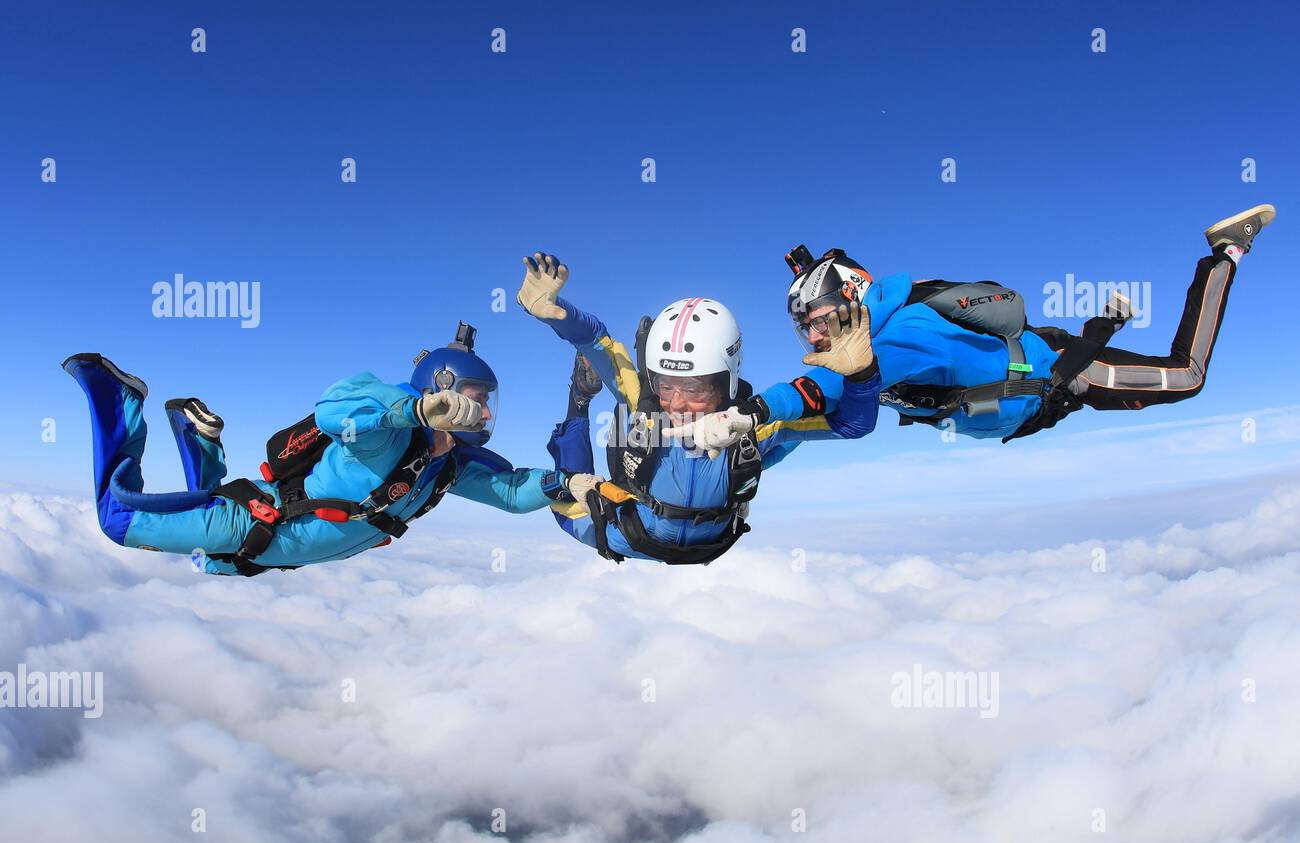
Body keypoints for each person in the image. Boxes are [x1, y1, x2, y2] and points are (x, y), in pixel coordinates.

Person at [684, 204, 1276, 451]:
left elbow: (820, 395)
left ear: (852, 300)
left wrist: (752, 413)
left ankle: (1224, 255)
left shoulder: (897, 335)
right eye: (802, 328)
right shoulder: (874, 346)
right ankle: (1109, 319)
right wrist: (756, 441)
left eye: (816, 321)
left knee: (1188, 377)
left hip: (1066, 378)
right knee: (1070, 350)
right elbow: (834, 418)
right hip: (1046, 388)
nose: (812, 338)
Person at [61, 324, 602, 576]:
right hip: (254, 525)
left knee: (205, 562)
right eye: (476, 399)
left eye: (489, 403)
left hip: (260, 555)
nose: (485, 414)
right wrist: (410, 411)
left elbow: (508, 491)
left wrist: (565, 485)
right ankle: (116, 399)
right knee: (117, 520)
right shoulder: (386, 424)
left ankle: (195, 435)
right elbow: (333, 410)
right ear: (441, 387)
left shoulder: (446, 469)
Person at [515, 252, 882, 564]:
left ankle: (582, 404)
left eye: (694, 388)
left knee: (567, 494)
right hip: (631, 531)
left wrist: (863, 376)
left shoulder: (756, 428)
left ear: (726, 385)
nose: (676, 403)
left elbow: (853, 424)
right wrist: (555, 312)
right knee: (564, 494)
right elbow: (600, 343)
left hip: (713, 540)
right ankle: (578, 403)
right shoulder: (646, 403)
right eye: (665, 386)